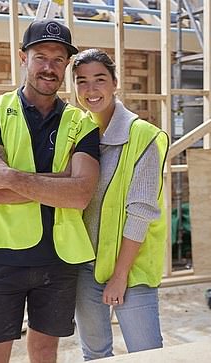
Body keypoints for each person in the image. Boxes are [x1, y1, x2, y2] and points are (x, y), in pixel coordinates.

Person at [0, 20, 100, 363]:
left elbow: (81, 194)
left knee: (44, 353)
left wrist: (10, 175)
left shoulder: (81, 122)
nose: (49, 67)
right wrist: (60, 180)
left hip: (58, 260)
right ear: (23, 58)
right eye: (41, 56)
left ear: (67, 65)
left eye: (58, 59)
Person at [71, 48, 169, 360]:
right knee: (95, 354)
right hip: (86, 266)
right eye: (82, 81)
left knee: (146, 355)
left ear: (115, 83)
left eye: (99, 79)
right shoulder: (77, 133)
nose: (91, 89)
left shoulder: (143, 136)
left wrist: (119, 275)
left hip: (132, 268)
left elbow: (140, 213)